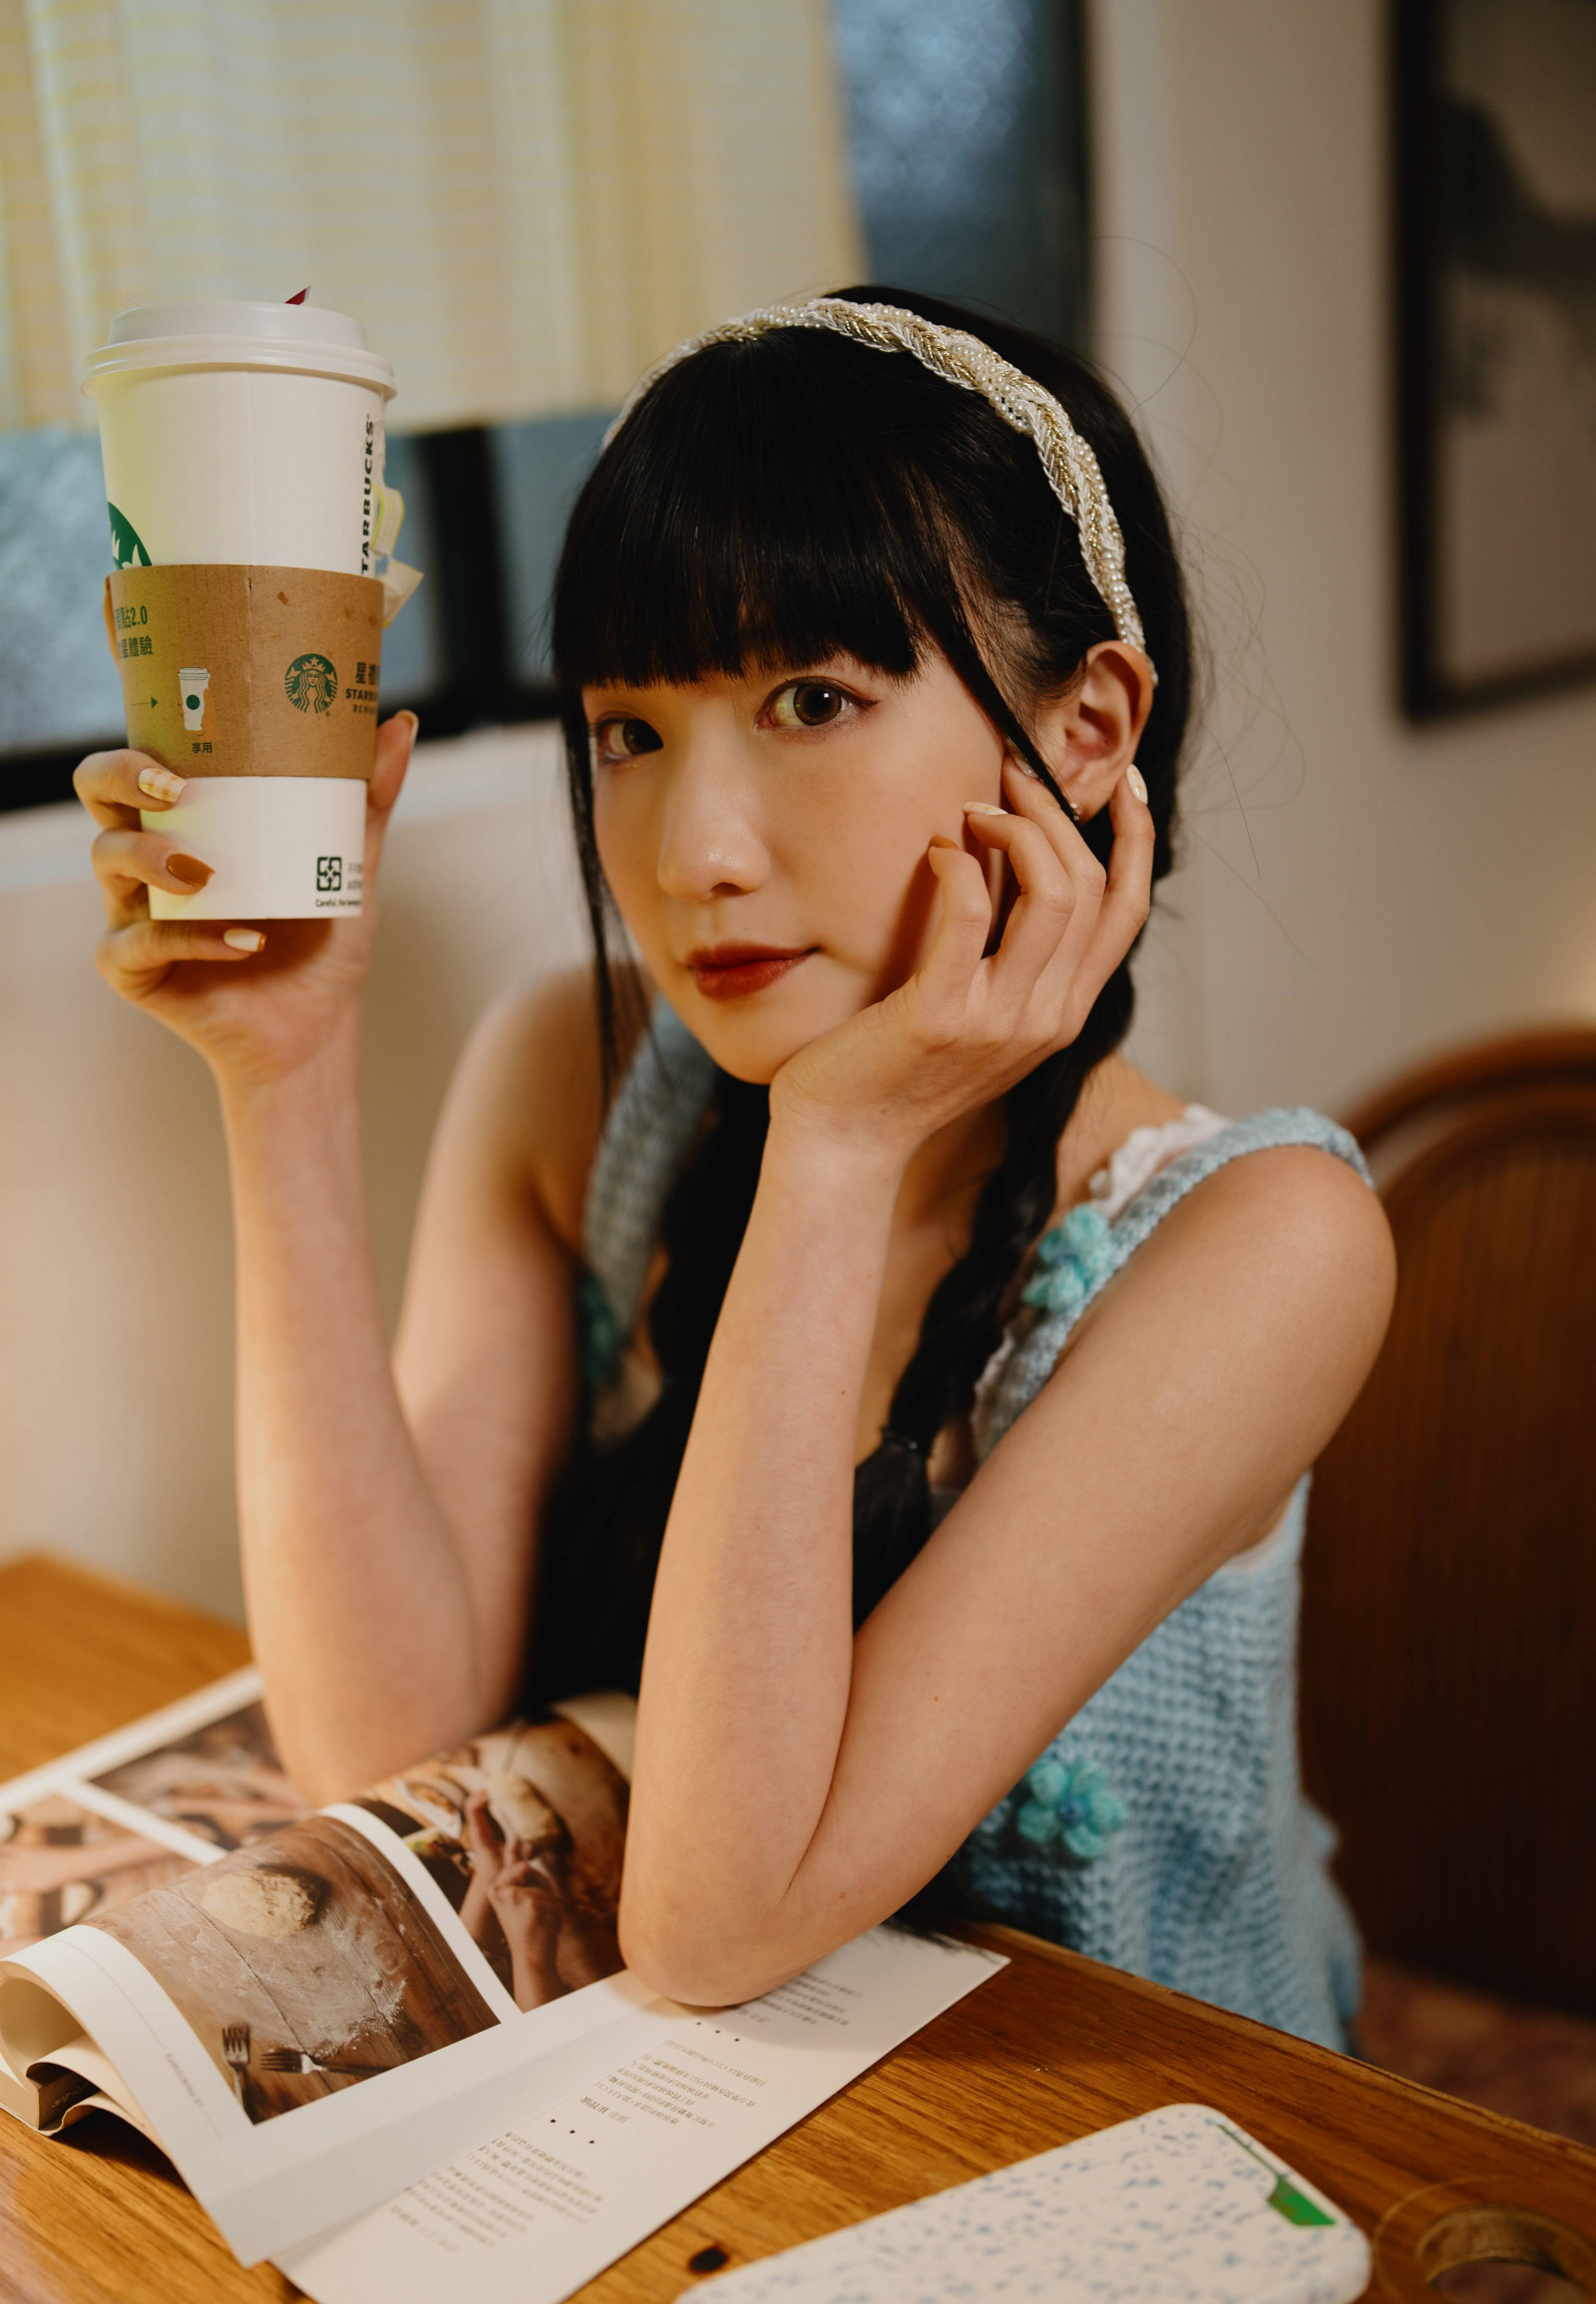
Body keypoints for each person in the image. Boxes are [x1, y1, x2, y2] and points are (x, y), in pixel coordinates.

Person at [74, 288, 1394, 2048]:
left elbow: (716, 1920)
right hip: (715, 2125)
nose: (694, 852)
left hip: (1134, 2128)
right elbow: (379, 1740)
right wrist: (284, 1072)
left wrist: (837, 1147)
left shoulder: (1263, 1245)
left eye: (812, 698)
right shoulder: (581, 1079)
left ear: (1088, 728)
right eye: (629, 730)